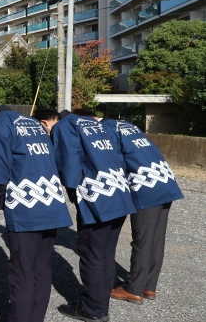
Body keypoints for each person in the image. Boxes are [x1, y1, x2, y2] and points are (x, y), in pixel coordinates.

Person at [0, 97, 73, 322]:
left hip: (25, 206)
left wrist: (2, 198)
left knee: (22, 270)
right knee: (42, 268)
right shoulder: (32, 122)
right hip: (51, 200)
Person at [51, 108, 137, 322]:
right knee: (106, 253)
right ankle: (100, 302)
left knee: (91, 254)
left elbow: (68, 163)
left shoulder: (65, 126)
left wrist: (71, 190)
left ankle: (93, 309)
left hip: (96, 197)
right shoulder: (98, 126)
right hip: (119, 192)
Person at [102, 118, 183, 305]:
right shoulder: (128, 126)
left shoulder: (107, 128)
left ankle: (133, 289)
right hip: (164, 179)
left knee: (143, 240)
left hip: (146, 186)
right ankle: (149, 286)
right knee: (156, 238)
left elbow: (111, 158)